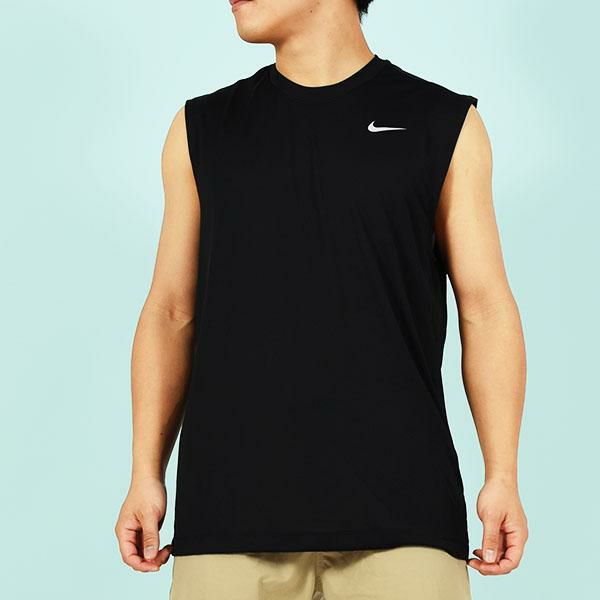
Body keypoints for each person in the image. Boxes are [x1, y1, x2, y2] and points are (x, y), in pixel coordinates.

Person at [115, 0, 529, 598]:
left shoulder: (443, 123)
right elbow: (170, 312)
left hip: (404, 516)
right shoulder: (201, 128)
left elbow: (485, 307)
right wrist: (144, 472)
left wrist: (503, 474)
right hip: (227, 519)